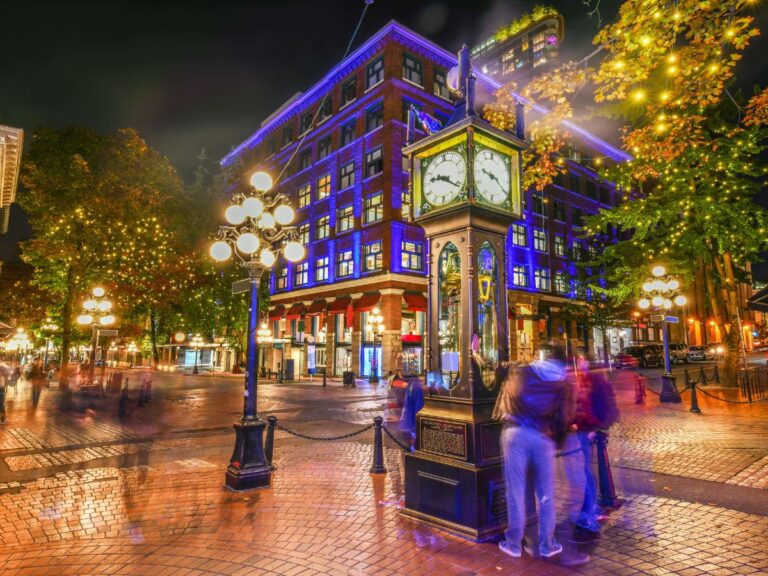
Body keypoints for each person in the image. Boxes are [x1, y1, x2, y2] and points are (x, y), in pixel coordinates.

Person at [493, 343, 575, 560]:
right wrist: (557, 441)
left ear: (542, 356)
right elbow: (564, 419)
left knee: (515, 491)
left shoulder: (521, 370)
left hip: (515, 433)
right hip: (543, 437)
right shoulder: (562, 384)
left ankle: (513, 543)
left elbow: (497, 370)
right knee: (547, 494)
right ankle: (547, 544)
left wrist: (476, 353)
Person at [570, 353, 619, 533]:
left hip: (587, 431)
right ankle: (589, 509)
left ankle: (588, 514)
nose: (578, 363)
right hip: (582, 429)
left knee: (584, 473)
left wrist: (594, 427)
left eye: (581, 360)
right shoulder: (584, 379)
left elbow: (602, 406)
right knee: (583, 471)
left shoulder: (595, 381)